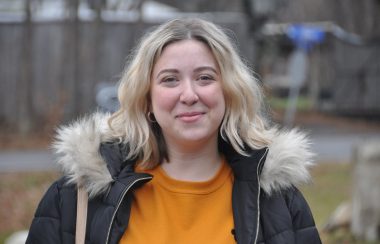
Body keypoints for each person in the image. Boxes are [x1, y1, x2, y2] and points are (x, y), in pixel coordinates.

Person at [26, 18, 321, 244]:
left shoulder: (277, 201)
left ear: (229, 92)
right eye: (170, 80)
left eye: (205, 77)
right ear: (147, 99)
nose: (189, 94)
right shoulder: (76, 199)